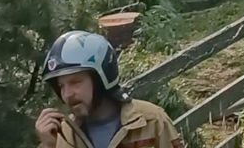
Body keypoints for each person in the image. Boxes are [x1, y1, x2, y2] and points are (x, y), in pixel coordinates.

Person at [35, 30, 184, 148]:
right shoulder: (62, 136)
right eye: (61, 86)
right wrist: (49, 145)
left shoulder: (152, 122)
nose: (67, 94)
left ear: (101, 79)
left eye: (75, 82)